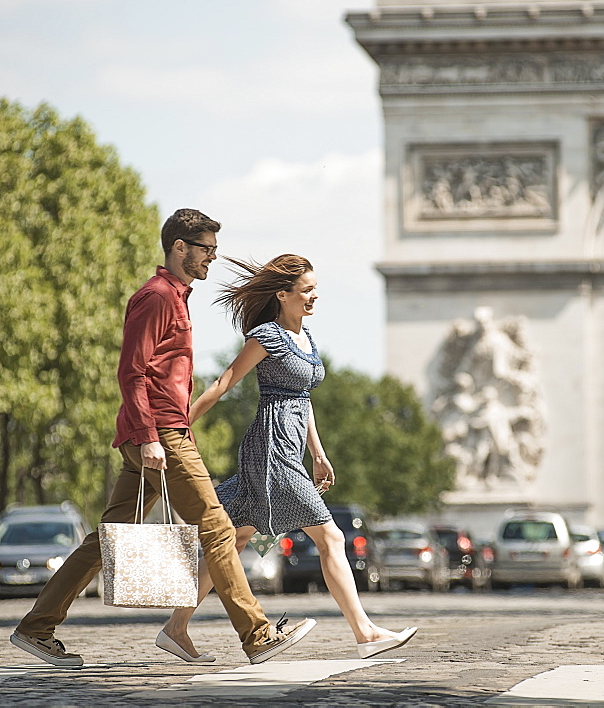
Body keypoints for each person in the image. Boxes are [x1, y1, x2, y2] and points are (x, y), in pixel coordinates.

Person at [10, 209, 316, 668]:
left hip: (157, 434)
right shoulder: (155, 297)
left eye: (214, 249)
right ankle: (257, 635)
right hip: (162, 435)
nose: (212, 257)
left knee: (107, 539)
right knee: (216, 527)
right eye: (206, 249)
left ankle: (36, 629)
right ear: (179, 248)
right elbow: (131, 372)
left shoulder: (176, 296)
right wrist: (153, 437)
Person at [158, 253, 417, 662]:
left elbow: (304, 398)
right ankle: (365, 632)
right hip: (271, 448)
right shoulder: (267, 336)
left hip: (294, 447)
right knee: (331, 536)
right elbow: (225, 382)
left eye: (315, 288)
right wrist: (177, 425)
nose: (314, 296)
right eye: (306, 290)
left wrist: (318, 452)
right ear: (283, 294)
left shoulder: (305, 337)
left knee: (236, 537)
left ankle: (175, 628)